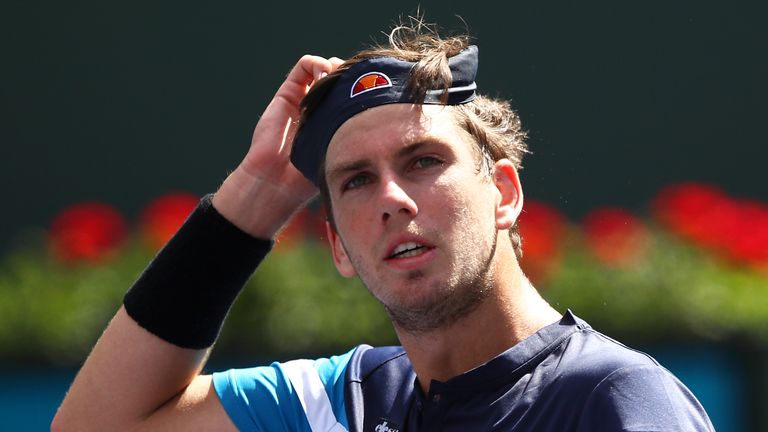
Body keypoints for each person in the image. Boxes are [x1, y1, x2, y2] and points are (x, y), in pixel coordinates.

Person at [53, 21, 715, 432]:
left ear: (504, 193)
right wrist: (254, 197)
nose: (392, 198)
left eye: (423, 160)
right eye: (356, 181)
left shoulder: (616, 399)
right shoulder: (340, 399)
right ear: (339, 246)